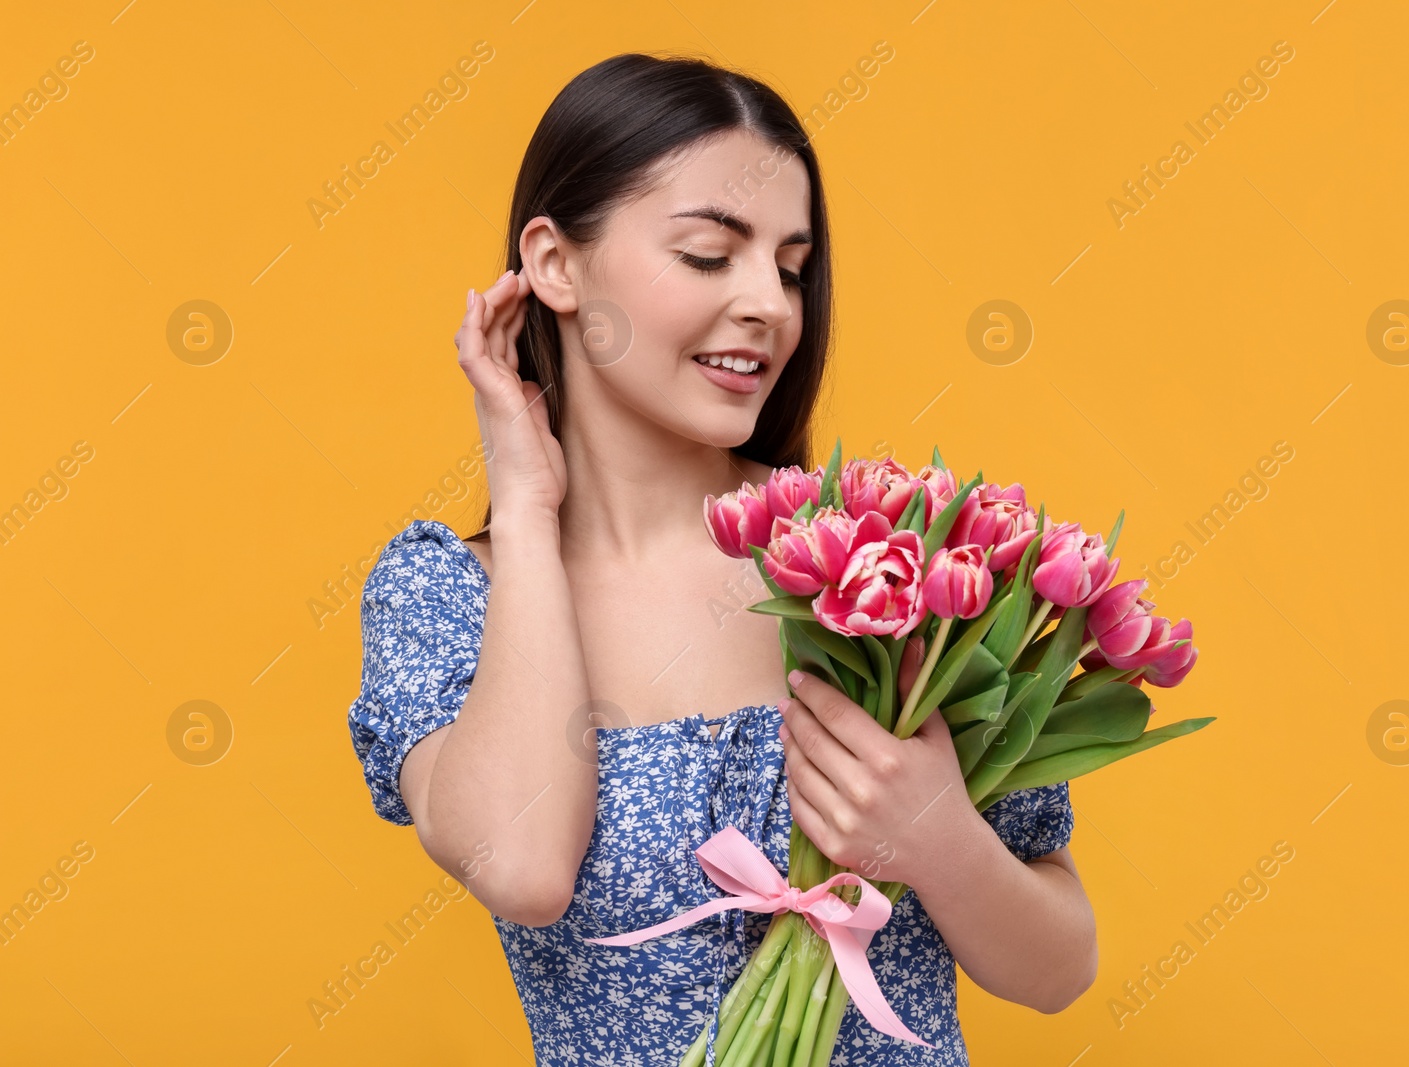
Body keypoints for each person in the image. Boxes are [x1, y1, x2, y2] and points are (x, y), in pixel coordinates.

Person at [347, 51, 1096, 1066]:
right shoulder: (448, 592)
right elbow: (520, 866)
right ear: (556, 264)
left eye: (790, 268)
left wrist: (941, 838)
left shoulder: (878, 563)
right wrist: (525, 506)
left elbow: (1057, 970)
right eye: (710, 253)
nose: (771, 307)